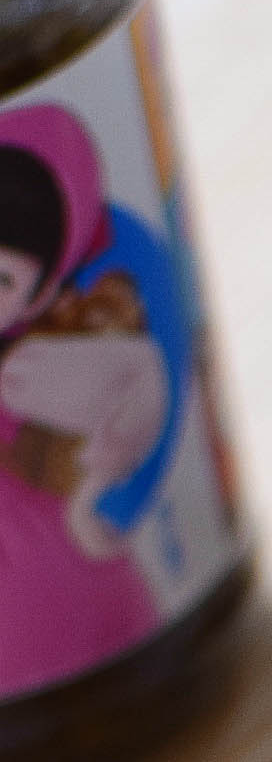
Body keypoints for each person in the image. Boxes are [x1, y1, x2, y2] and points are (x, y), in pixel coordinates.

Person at [0, 102, 173, 693]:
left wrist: (97, 489)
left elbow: (139, 374)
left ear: (40, 290)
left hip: (61, 579)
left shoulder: (34, 364)